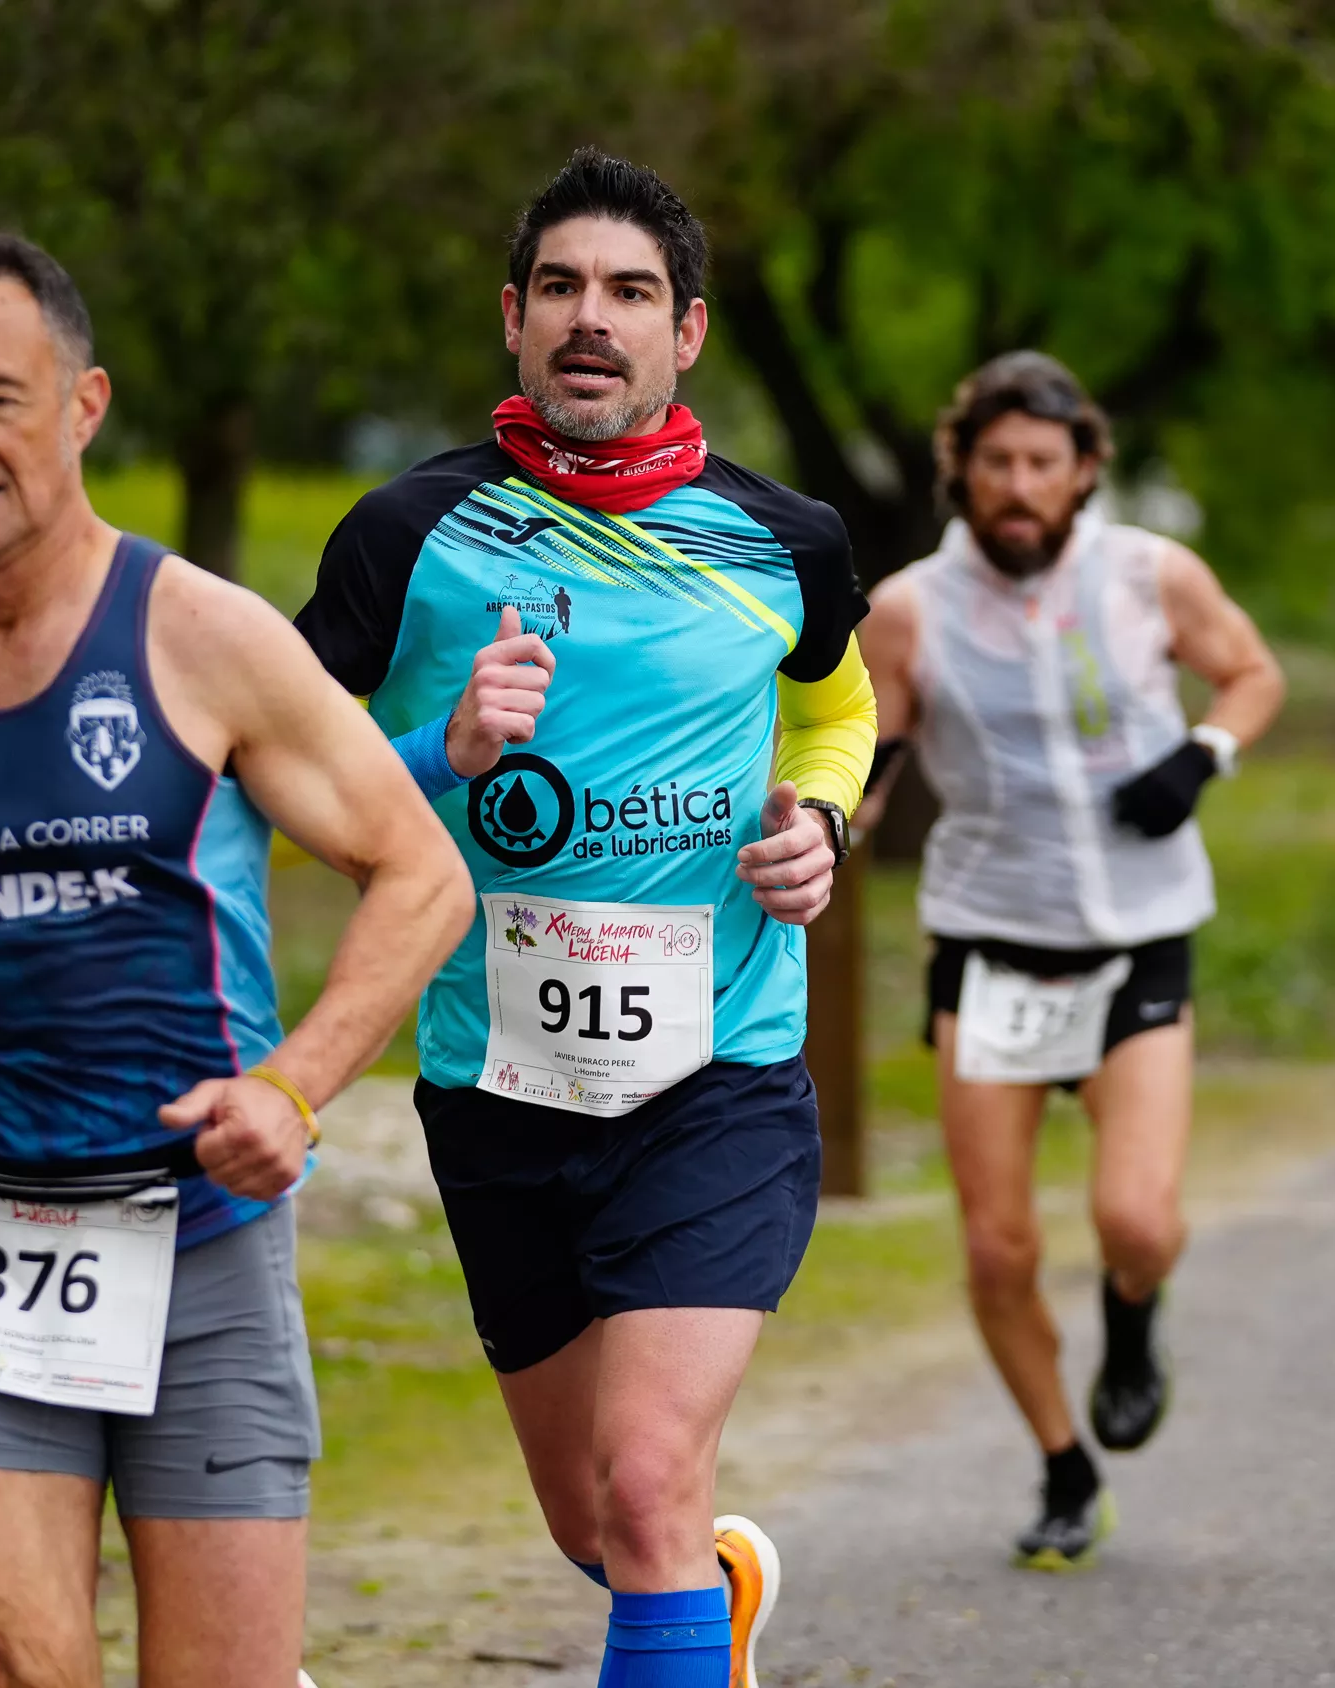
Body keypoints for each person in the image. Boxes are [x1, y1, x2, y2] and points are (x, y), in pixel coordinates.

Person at [0, 233, 472, 1688]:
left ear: (84, 406)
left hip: (197, 1243)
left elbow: (421, 875)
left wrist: (294, 1084)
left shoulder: (209, 639)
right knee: (18, 1670)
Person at [292, 152, 874, 1688]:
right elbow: (272, 778)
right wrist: (438, 758)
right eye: (560, 288)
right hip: (500, 1083)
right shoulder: (406, 539)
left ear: (689, 331)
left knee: (645, 1482)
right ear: (511, 317)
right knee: (595, 1523)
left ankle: (683, 1581)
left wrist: (819, 822)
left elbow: (836, 706)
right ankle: (706, 1602)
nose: (591, 321)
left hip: (718, 1075)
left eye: (629, 294)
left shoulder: (786, 541)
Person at [856, 352, 1283, 1571]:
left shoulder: (1153, 573)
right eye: (996, 463)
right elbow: (872, 761)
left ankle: (1134, 1319)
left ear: (1085, 469)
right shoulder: (909, 609)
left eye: (1044, 463)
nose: (1020, 487)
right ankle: (1061, 1463)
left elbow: (1255, 673)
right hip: (990, 945)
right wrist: (823, 821)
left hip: (1136, 935)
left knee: (1136, 1217)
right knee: (998, 1246)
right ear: (963, 472)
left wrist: (1201, 755)